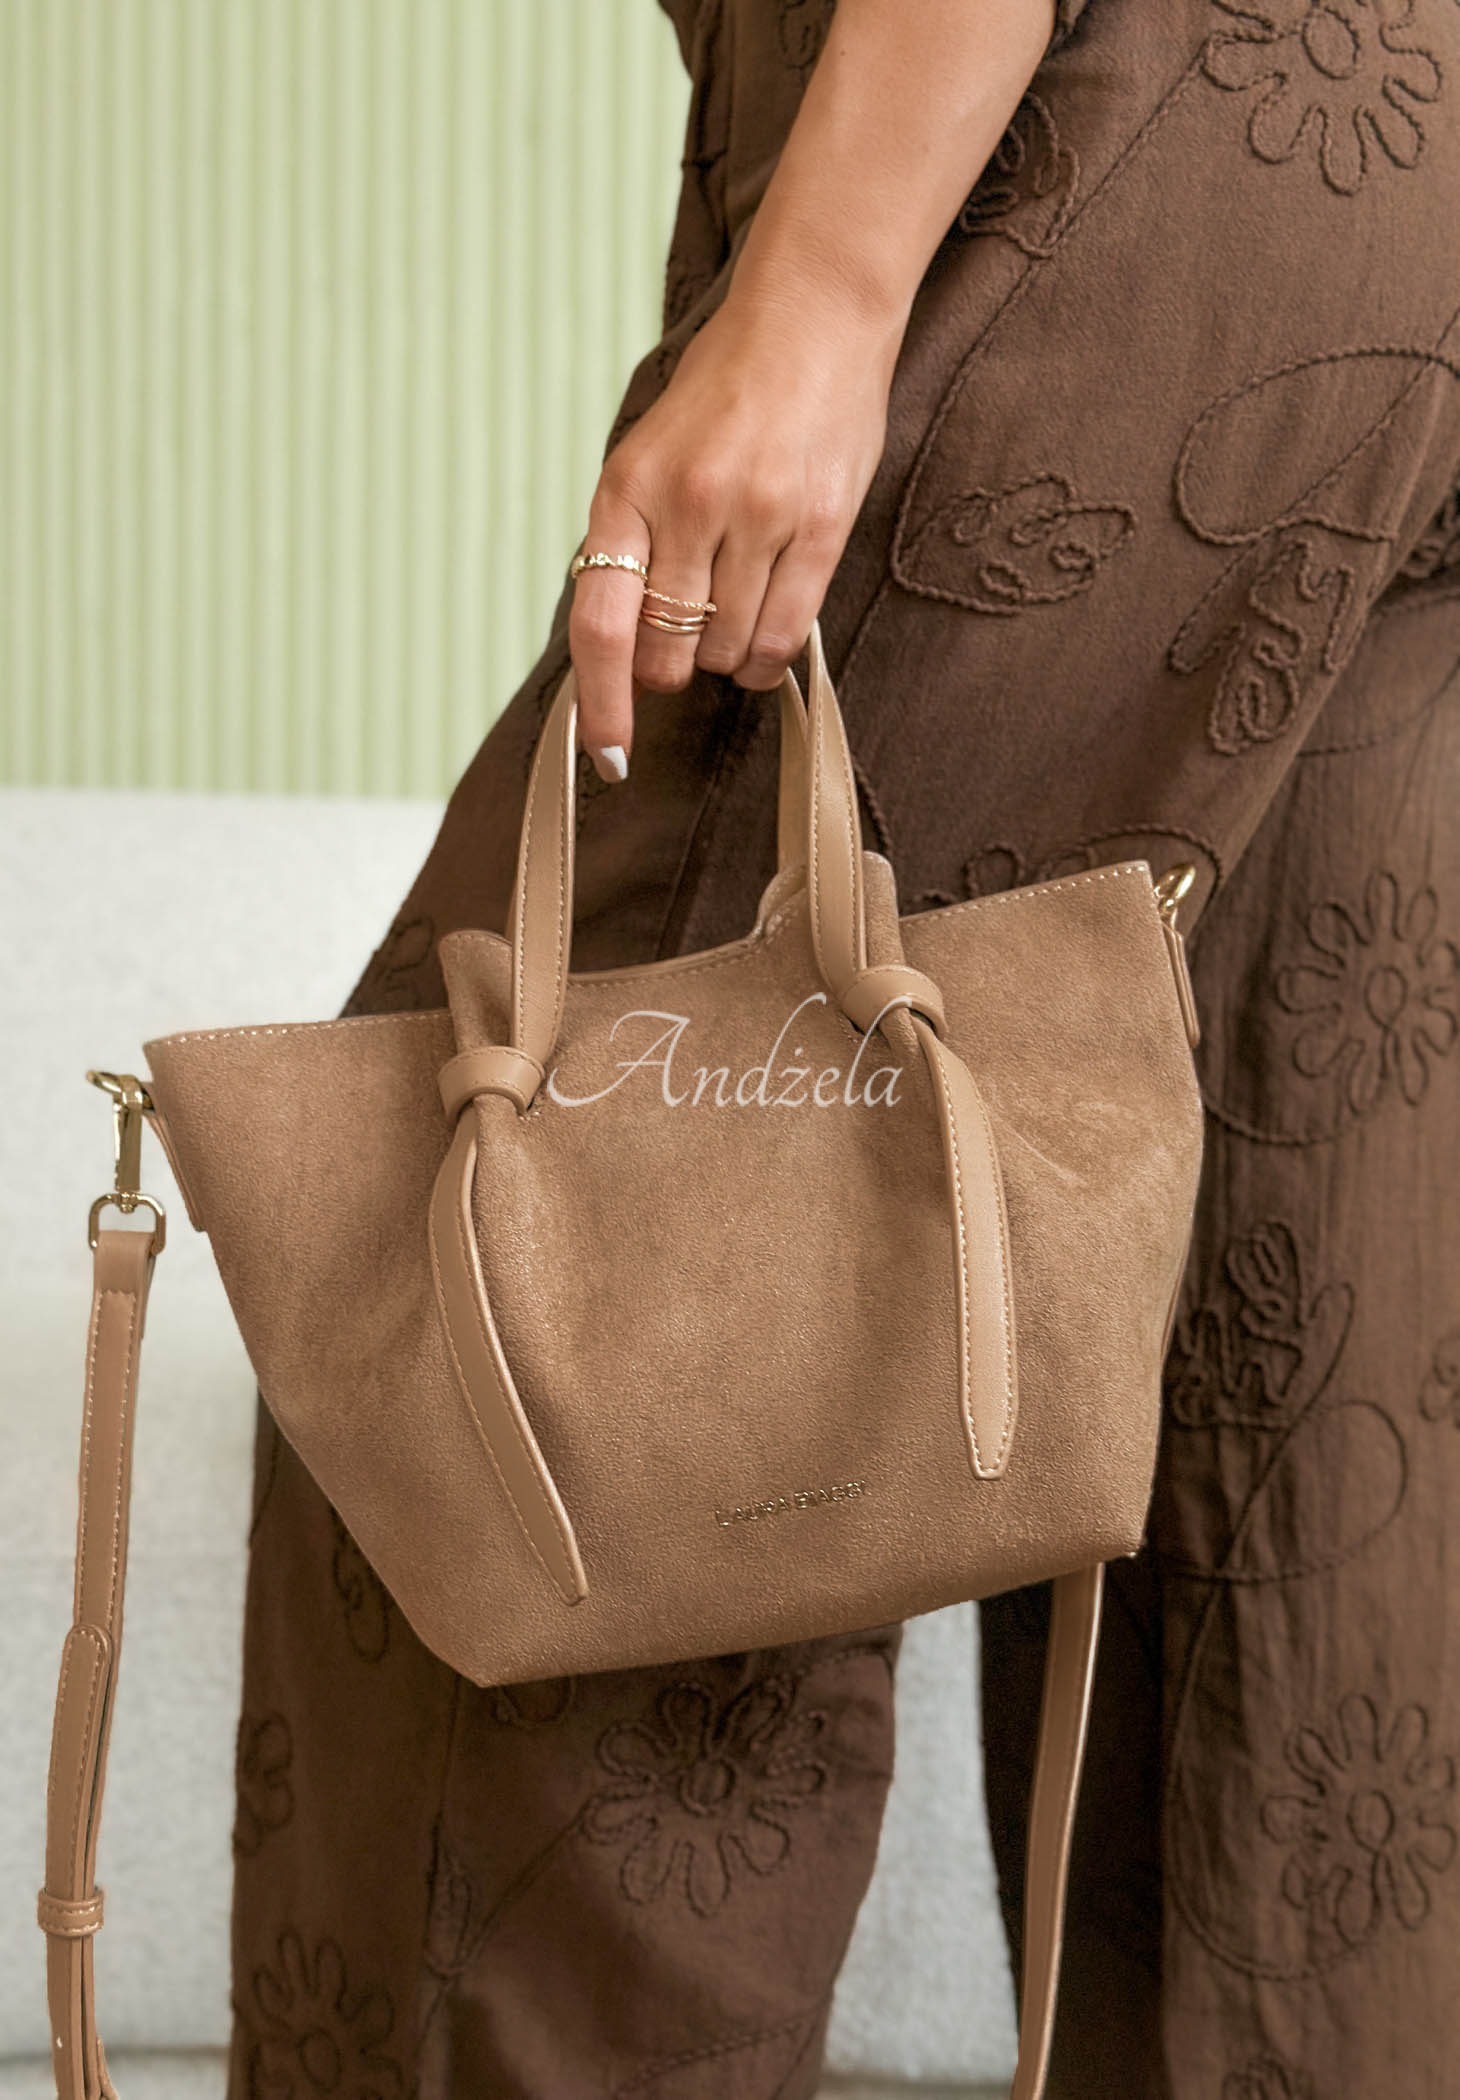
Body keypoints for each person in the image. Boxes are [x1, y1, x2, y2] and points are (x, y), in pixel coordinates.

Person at [226, 2, 1460, 2094]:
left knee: (517, 1350)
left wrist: (823, 282)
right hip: (1384, 166)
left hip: (1101, 119)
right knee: (1293, 1361)